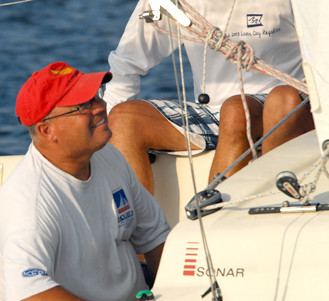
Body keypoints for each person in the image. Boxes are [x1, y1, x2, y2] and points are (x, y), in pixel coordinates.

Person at [0, 62, 171, 301]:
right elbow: (29, 293)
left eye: (97, 97)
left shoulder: (107, 155)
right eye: (84, 105)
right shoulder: (28, 204)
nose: (100, 107)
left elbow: (156, 237)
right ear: (47, 130)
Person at [104, 0, 314, 194]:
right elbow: (126, 64)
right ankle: (138, 232)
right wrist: (99, 146)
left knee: (237, 109)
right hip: (215, 113)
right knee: (124, 118)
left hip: (287, 108)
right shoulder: (172, 3)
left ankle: (221, 220)